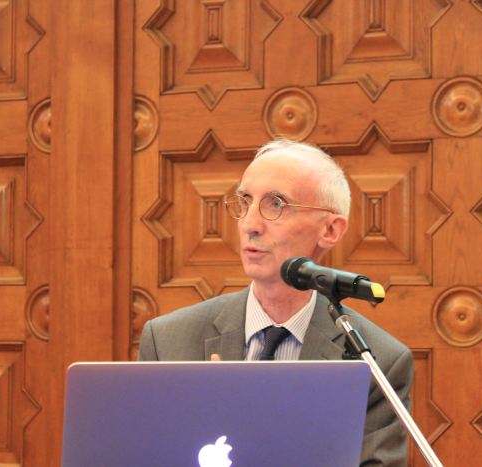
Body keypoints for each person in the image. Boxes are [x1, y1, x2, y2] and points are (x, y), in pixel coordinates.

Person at [139, 139, 414, 466]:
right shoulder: (168, 341)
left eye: (276, 204)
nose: (249, 225)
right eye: (245, 201)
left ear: (330, 229)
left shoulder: (377, 361)